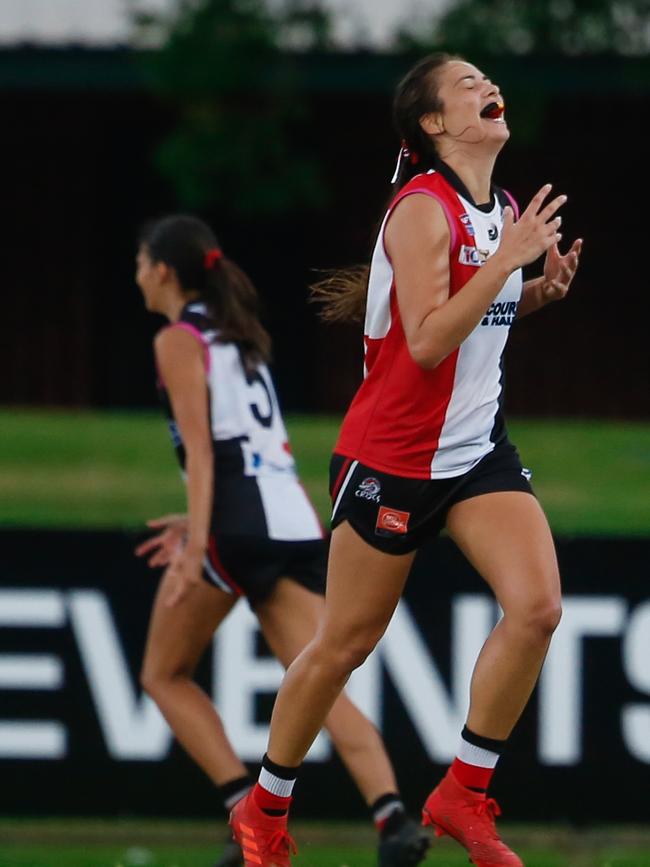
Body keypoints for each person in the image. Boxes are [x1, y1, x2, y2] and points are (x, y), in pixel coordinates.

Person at [229, 53, 583, 867]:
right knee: (344, 644)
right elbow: (424, 341)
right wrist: (509, 262)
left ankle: (464, 790)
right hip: (392, 458)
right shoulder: (423, 209)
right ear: (432, 124)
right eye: (466, 83)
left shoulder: (496, 209)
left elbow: (471, 320)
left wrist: (534, 292)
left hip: (474, 454)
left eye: (487, 77)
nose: (486, 86)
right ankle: (265, 810)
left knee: (537, 608)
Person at [133, 214, 430, 867]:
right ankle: (392, 818)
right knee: (320, 676)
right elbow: (252, 449)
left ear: (162, 269)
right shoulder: (238, 334)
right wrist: (201, 522)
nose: (136, 275)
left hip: (236, 523)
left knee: (163, 673)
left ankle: (245, 814)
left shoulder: (178, 339)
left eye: (140, 262)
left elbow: (207, 455)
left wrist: (196, 543)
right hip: (290, 519)